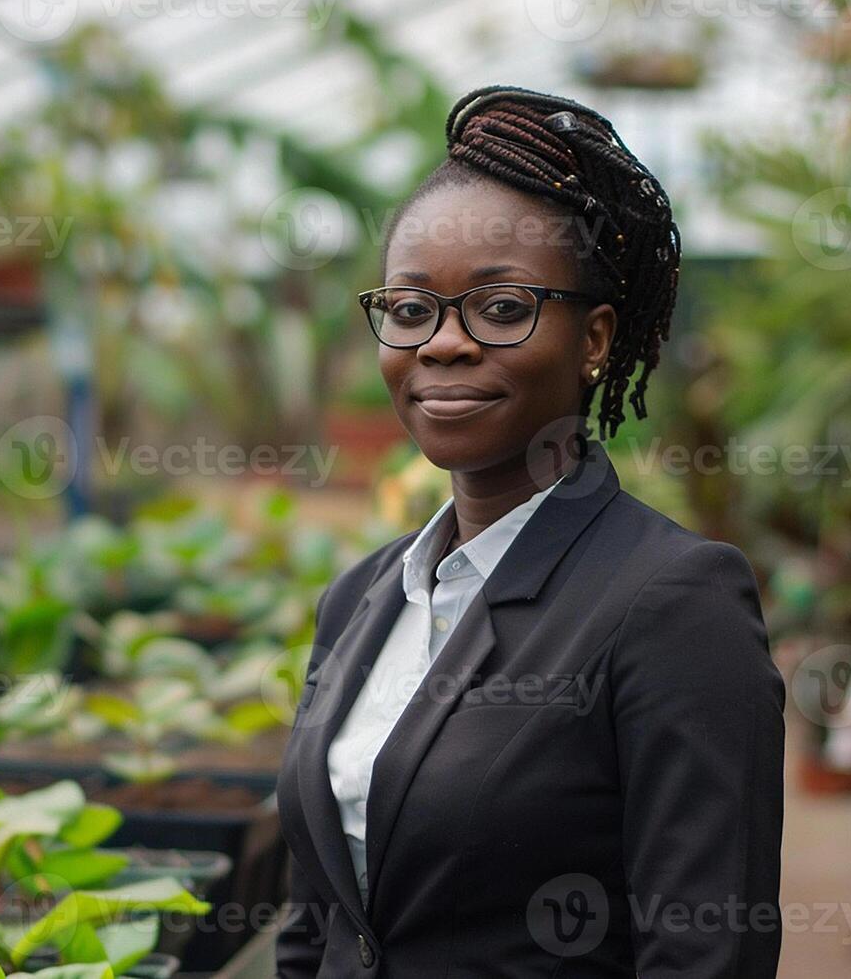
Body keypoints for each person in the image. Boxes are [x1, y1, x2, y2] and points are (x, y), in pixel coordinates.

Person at [273, 83, 785, 978]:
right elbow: (318, 923)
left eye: (502, 308)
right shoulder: (360, 598)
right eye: (408, 308)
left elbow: (708, 954)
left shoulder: (672, 605)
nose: (441, 344)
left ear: (594, 338)